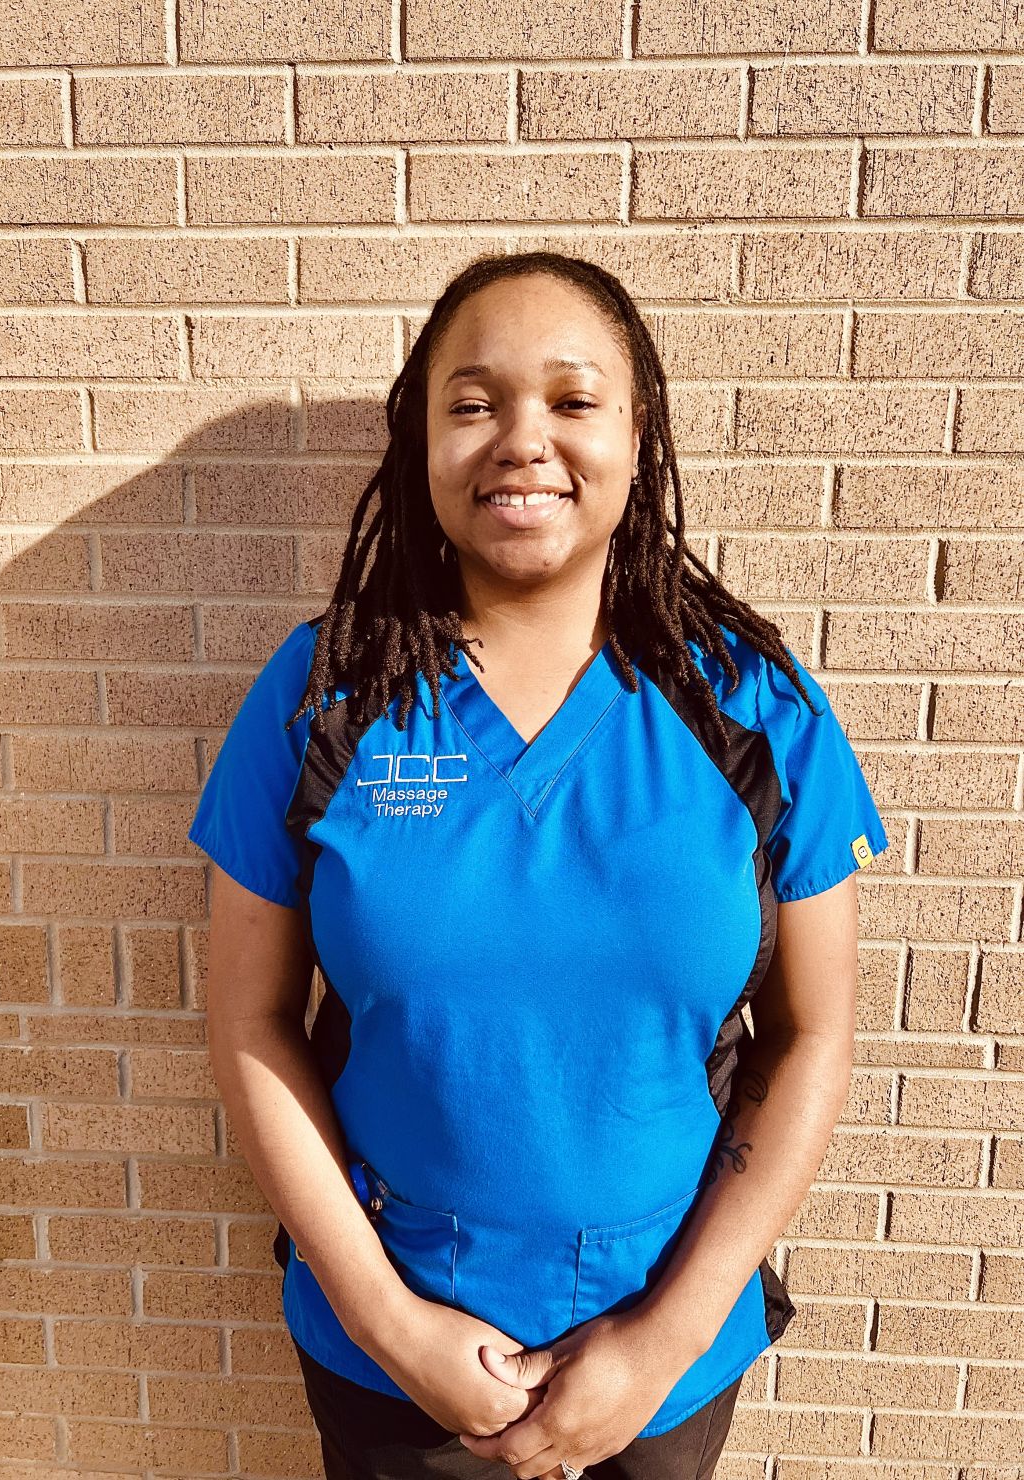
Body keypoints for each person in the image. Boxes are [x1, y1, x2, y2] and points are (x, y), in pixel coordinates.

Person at [187, 250, 890, 1480]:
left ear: (638, 434)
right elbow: (250, 1020)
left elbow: (813, 1032)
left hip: (663, 1357)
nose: (522, 439)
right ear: (421, 442)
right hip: (397, 1358)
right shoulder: (322, 697)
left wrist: (662, 1343)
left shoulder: (754, 707)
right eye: (473, 403)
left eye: (572, 400)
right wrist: (388, 1321)